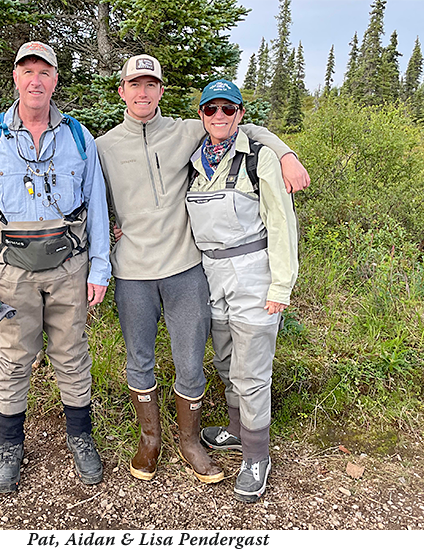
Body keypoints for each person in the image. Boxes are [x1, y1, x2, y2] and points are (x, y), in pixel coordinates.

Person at [95, 55, 308, 485]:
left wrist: (285, 153)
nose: (142, 92)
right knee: (142, 360)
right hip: (132, 272)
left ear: (160, 91)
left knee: (193, 361)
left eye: (150, 84)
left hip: (187, 269)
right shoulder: (102, 145)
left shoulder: (186, 131)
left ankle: (192, 443)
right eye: (134, 84)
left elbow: (243, 130)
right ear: (121, 90)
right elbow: (89, 197)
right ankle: (150, 440)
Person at [0, 41, 111, 493]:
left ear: (55, 80)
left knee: (72, 353)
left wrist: (99, 268)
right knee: (13, 357)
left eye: (44, 71)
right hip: (9, 272)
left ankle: (80, 438)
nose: (36, 79)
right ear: (16, 78)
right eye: (27, 71)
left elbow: (97, 206)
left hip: (70, 268)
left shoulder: (80, 137)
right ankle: (9, 445)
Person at [187, 79, 299, 503]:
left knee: (252, 372)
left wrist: (280, 285)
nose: (219, 117)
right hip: (211, 277)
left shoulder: (260, 159)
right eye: (211, 109)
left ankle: (257, 456)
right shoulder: (195, 160)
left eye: (228, 110)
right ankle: (236, 431)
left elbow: (281, 223)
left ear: (240, 114)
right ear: (201, 114)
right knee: (225, 361)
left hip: (254, 276)